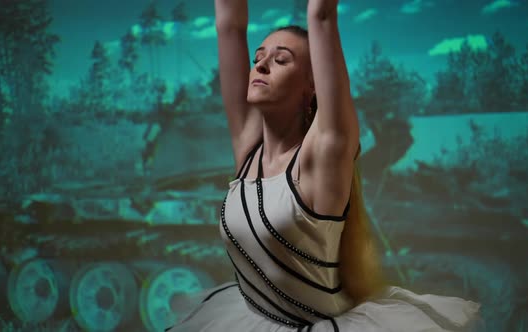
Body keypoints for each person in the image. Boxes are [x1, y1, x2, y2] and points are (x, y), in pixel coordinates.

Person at [166, 0, 482, 331]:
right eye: (257, 58)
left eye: (281, 60)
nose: (260, 66)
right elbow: (229, 26)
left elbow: (322, 14)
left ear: (313, 85)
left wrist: (320, 18)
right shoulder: (249, 150)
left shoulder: (323, 155)